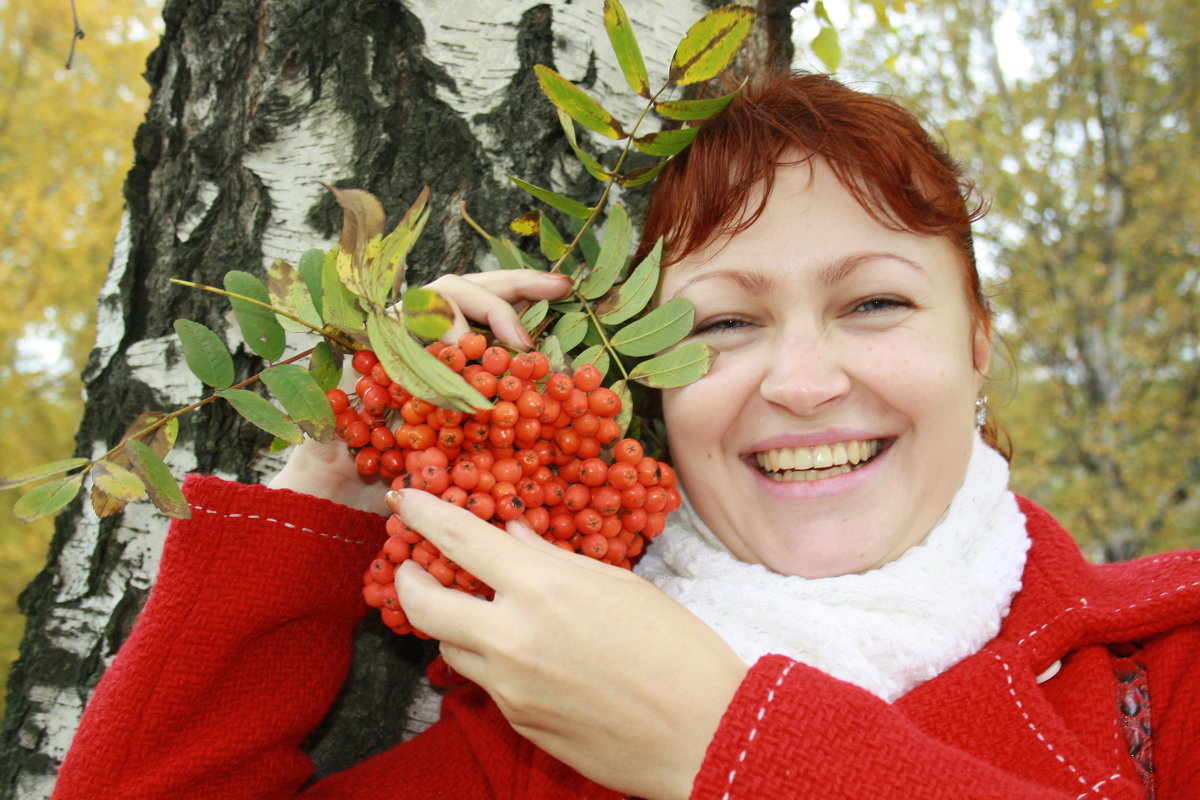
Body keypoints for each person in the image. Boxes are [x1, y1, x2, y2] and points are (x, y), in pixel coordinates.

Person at [52, 71, 1199, 800]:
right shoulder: (531, 746)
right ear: (647, 385)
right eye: (726, 322)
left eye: (876, 301)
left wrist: (730, 747)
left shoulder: (1173, 669)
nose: (803, 380)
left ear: (979, 340)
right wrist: (340, 477)